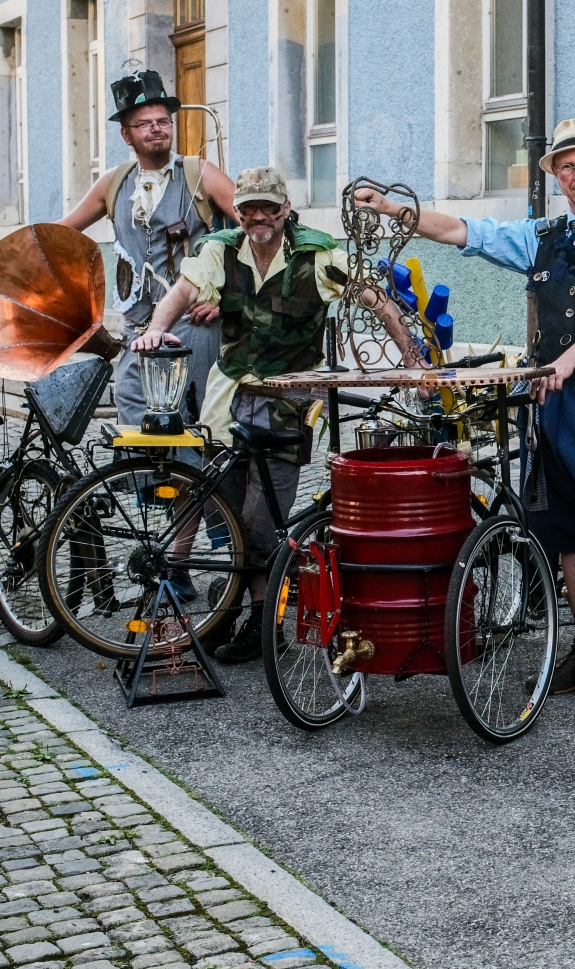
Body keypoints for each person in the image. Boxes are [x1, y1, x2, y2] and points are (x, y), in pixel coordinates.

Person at [364, 119, 575, 717]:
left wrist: (567, 361)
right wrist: (392, 210)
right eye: (566, 166)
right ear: (555, 174)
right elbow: (464, 231)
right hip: (549, 400)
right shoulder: (543, 236)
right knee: (567, 527)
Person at [131, 167, 419, 664]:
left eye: (268, 207)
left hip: (290, 397)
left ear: (286, 208)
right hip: (229, 391)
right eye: (248, 208)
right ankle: (234, 614)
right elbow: (180, 292)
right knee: (222, 502)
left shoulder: (319, 253)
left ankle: (265, 625)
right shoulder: (221, 250)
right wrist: (157, 329)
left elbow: (377, 301)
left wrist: (412, 359)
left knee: (261, 516)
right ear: (237, 211)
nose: (258, 217)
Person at [58, 69, 238, 436]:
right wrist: (12, 244)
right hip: (137, 331)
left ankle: (199, 495)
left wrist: (229, 300)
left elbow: (258, 230)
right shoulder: (113, 183)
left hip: (195, 325)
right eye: (145, 124)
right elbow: (62, 231)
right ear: (127, 134)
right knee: (135, 417)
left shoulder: (199, 173)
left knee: (193, 423)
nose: (157, 129)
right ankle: (151, 496)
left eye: (163, 121)